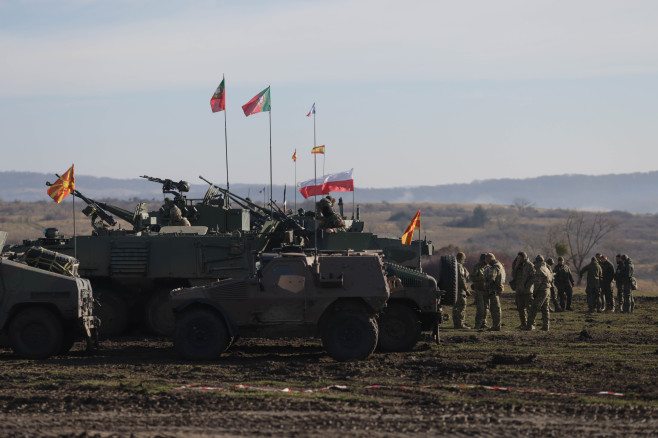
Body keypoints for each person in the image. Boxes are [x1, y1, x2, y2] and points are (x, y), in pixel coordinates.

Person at [526, 255, 553, 331]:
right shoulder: (546, 268)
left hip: (542, 291)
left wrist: (534, 293)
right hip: (548, 289)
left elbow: (538, 283)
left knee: (534, 308)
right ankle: (546, 326)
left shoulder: (539, 270)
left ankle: (529, 325)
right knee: (545, 308)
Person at [510, 252, 534, 329]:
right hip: (519, 290)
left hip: (527, 291)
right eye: (518, 258)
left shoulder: (529, 265)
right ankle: (523, 324)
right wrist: (515, 267)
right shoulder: (517, 265)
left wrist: (527, 285)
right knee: (520, 308)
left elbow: (533, 276)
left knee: (529, 309)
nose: (518, 259)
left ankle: (531, 324)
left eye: (520, 258)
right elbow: (513, 276)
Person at [483, 253, 505, 331]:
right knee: (496, 307)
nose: (486, 262)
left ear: (489, 259)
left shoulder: (494, 267)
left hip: (493, 289)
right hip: (498, 288)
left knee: (495, 308)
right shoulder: (500, 265)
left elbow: (491, 278)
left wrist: (486, 280)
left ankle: (496, 326)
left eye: (486, 260)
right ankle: (496, 325)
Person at [470, 254, 490, 330]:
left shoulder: (489, 267)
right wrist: (481, 278)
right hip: (479, 290)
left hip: (486, 290)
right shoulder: (477, 267)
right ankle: (477, 324)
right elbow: (472, 277)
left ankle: (484, 323)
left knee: (486, 308)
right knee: (480, 308)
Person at [453, 252, 471, 329]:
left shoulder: (453, 265)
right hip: (460, 290)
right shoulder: (459, 267)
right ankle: (460, 324)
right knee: (461, 306)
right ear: (462, 259)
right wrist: (466, 289)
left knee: (455, 307)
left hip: (454, 290)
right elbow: (462, 279)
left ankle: (456, 324)